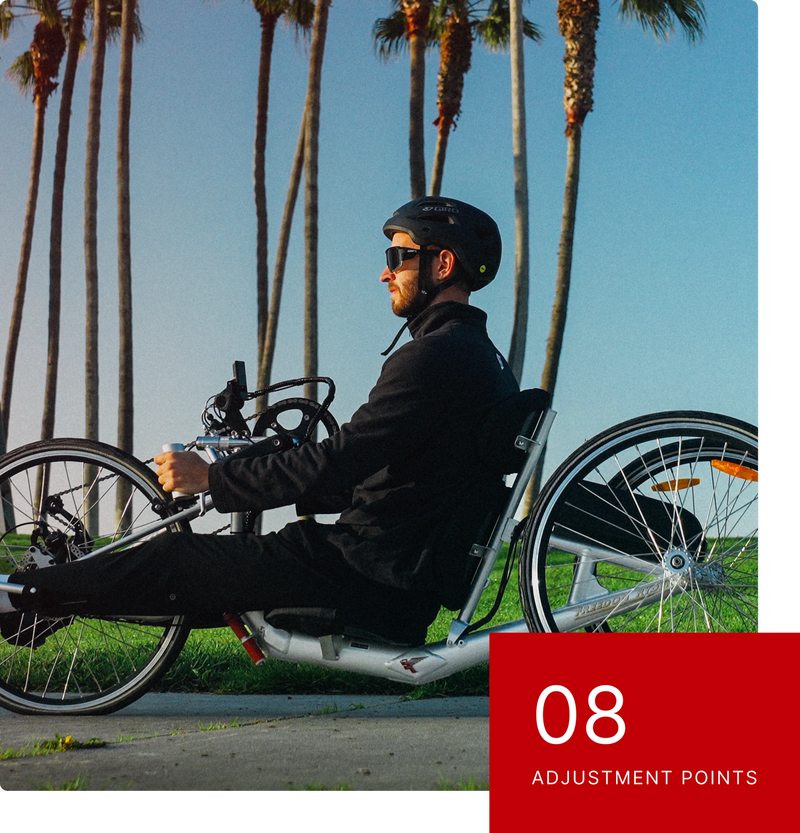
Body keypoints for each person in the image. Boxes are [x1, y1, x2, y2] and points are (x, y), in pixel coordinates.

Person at [1, 196, 527, 647]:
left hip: (360, 573)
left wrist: (212, 478)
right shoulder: (481, 359)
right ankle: (48, 599)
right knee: (197, 581)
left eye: (399, 256)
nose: (385, 271)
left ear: (442, 264)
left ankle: (16, 595)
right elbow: (396, 472)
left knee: (173, 557)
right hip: (392, 573)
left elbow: (340, 461)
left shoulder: (434, 357)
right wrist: (283, 473)